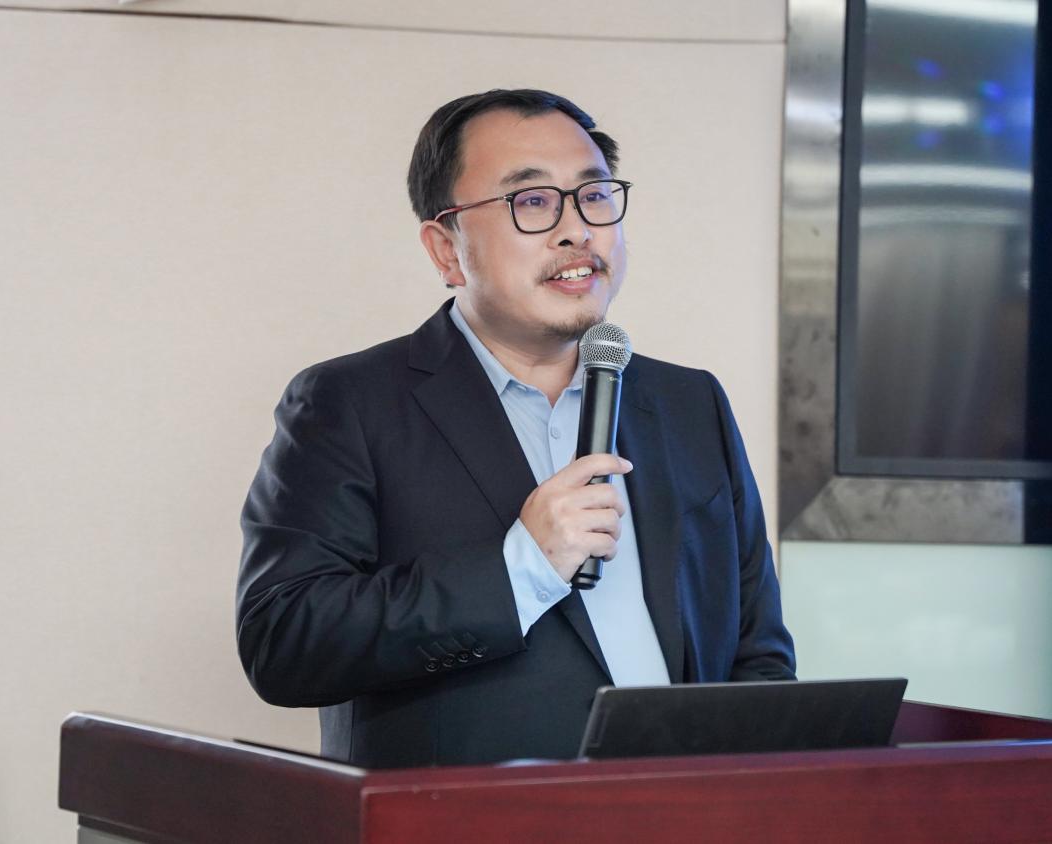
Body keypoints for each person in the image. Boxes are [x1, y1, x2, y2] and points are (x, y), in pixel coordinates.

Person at [236, 89, 795, 768]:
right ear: (446, 249)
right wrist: (522, 566)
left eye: (594, 195)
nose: (576, 231)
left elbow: (756, 650)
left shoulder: (688, 402)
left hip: (679, 808)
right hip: (467, 814)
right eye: (531, 202)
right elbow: (284, 642)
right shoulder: (349, 403)